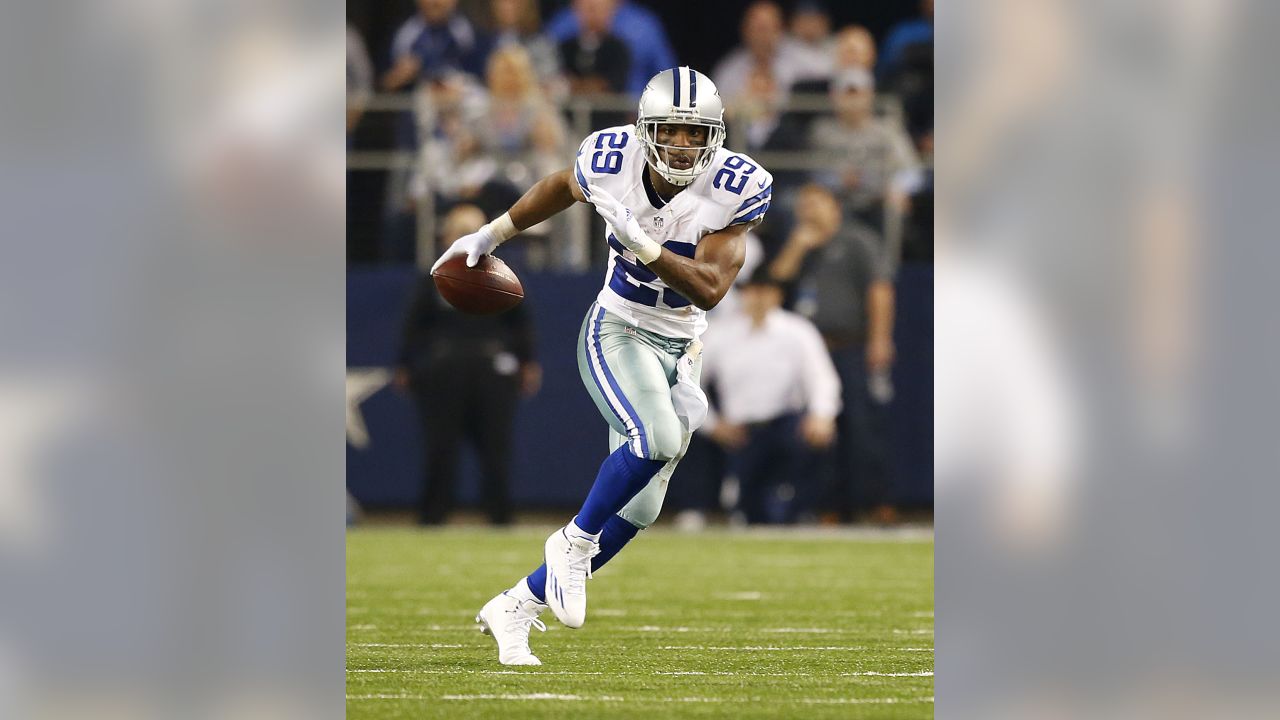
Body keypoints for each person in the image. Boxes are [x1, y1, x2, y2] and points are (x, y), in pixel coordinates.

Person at [432, 67, 772, 665]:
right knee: (657, 437)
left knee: (642, 508)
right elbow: (563, 185)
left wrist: (644, 244)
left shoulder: (735, 187)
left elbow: (711, 288)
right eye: (671, 130)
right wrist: (490, 235)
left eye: (697, 134)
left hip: (682, 342)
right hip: (618, 327)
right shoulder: (612, 160)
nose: (683, 145)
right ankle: (574, 540)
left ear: (717, 137)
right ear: (646, 130)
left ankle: (515, 606)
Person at [395, 205, 541, 525]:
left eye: (472, 228)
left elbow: (521, 323)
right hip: (443, 367)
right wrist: (405, 363)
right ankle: (432, 519)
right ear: (446, 235)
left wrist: (528, 361)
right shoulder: (434, 274)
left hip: (493, 367)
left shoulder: (502, 274)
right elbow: (413, 324)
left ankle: (500, 518)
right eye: (458, 228)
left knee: (496, 449)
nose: (464, 235)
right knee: (440, 449)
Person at [767, 184, 898, 523]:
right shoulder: (799, 243)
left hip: (851, 346)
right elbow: (774, 282)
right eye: (803, 204)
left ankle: (876, 502)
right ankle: (830, 506)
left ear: (835, 208)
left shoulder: (857, 240)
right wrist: (796, 247)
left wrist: (879, 339)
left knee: (862, 428)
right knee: (821, 430)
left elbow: (879, 289)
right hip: (810, 353)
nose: (807, 211)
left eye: (815, 203)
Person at [699, 268, 841, 524]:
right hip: (741, 434)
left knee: (811, 443)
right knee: (747, 506)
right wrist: (712, 425)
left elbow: (822, 378)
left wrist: (822, 415)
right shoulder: (719, 335)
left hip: (786, 425)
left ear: (777, 296)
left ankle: (803, 508)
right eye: (752, 291)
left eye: (765, 291)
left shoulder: (798, 331)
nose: (758, 298)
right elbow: (689, 384)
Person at [544, 0, 677, 94]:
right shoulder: (563, 24)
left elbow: (668, 77)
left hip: (632, 114)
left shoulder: (644, 25)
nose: (592, 12)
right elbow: (546, 73)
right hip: (571, 117)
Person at [711, 1, 830, 100]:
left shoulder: (801, 57)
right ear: (745, 31)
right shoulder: (730, 69)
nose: (762, 36)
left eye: (767, 28)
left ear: (780, 29)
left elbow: (829, 76)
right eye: (757, 29)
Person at [558, 0, 631, 96]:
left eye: (598, 9)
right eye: (588, 9)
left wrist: (579, 85)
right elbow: (560, 80)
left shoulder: (618, 49)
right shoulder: (565, 47)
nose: (593, 15)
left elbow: (613, 83)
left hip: (607, 109)